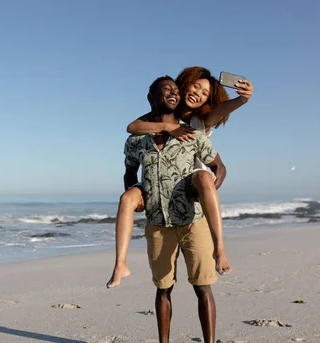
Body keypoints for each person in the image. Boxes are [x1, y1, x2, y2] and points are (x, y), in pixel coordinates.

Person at [106, 66, 253, 289]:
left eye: (205, 94)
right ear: (184, 84)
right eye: (196, 86)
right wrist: (168, 127)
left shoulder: (199, 121)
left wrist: (241, 100)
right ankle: (120, 264)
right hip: (162, 186)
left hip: (192, 180)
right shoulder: (160, 115)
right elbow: (132, 127)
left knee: (203, 177)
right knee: (127, 198)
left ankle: (220, 250)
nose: (198, 94)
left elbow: (221, 113)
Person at [123, 75, 226, 343]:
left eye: (175, 90)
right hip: (158, 223)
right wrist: (137, 194)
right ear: (151, 96)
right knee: (163, 288)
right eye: (165, 89)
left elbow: (218, 166)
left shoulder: (192, 134)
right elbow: (130, 172)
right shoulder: (136, 138)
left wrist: (207, 188)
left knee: (203, 287)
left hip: (193, 222)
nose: (172, 93)